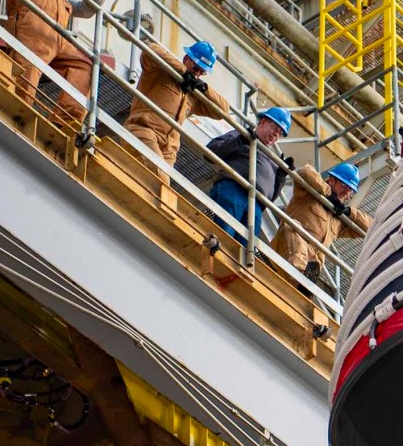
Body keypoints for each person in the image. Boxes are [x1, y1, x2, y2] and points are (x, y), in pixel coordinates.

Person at [4, 0, 119, 125]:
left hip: (55, 42)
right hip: (30, 37)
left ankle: (65, 122)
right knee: (26, 78)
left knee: (84, 65)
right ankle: (14, 116)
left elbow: (83, 10)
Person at [125, 34, 228, 165]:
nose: (196, 74)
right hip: (144, 131)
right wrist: (183, 71)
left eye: (202, 72)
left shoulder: (193, 94)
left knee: (164, 183)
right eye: (196, 68)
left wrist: (203, 88)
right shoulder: (159, 71)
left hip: (168, 150)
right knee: (158, 174)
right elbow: (150, 49)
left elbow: (223, 110)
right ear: (186, 59)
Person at [272, 161, 372, 282]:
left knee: (315, 259)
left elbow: (370, 227)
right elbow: (305, 172)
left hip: (310, 263)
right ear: (331, 180)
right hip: (286, 251)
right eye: (344, 186)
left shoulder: (338, 220)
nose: (347, 192)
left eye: (350, 190)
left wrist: (349, 212)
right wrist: (328, 194)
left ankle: (303, 280)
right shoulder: (309, 193)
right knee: (293, 226)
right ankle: (299, 274)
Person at [204, 106, 292, 238]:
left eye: (280, 133)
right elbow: (210, 152)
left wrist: (281, 175)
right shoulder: (241, 135)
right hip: (234, 190)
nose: (276, 134)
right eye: (275, 128)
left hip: (256, 205)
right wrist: (239, 140)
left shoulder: (273, 160)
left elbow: (270, 197)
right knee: (224, 237)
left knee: (245, 253)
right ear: (262, 122)